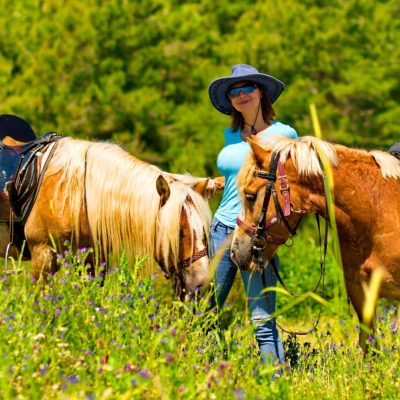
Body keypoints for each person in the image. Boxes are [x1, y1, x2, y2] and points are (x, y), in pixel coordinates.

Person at [208, 64, 298, 365]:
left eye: (247, 87)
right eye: (234, 91)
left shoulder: (284, 134)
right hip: (222, 227)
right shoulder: (229, 133)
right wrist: (212, 184)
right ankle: (210, 377)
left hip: (258, 232)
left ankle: (275, 385)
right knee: (208, 309)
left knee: (261, 318)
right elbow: (239, 179)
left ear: (261, 92)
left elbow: (292, 186)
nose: (240, 94)